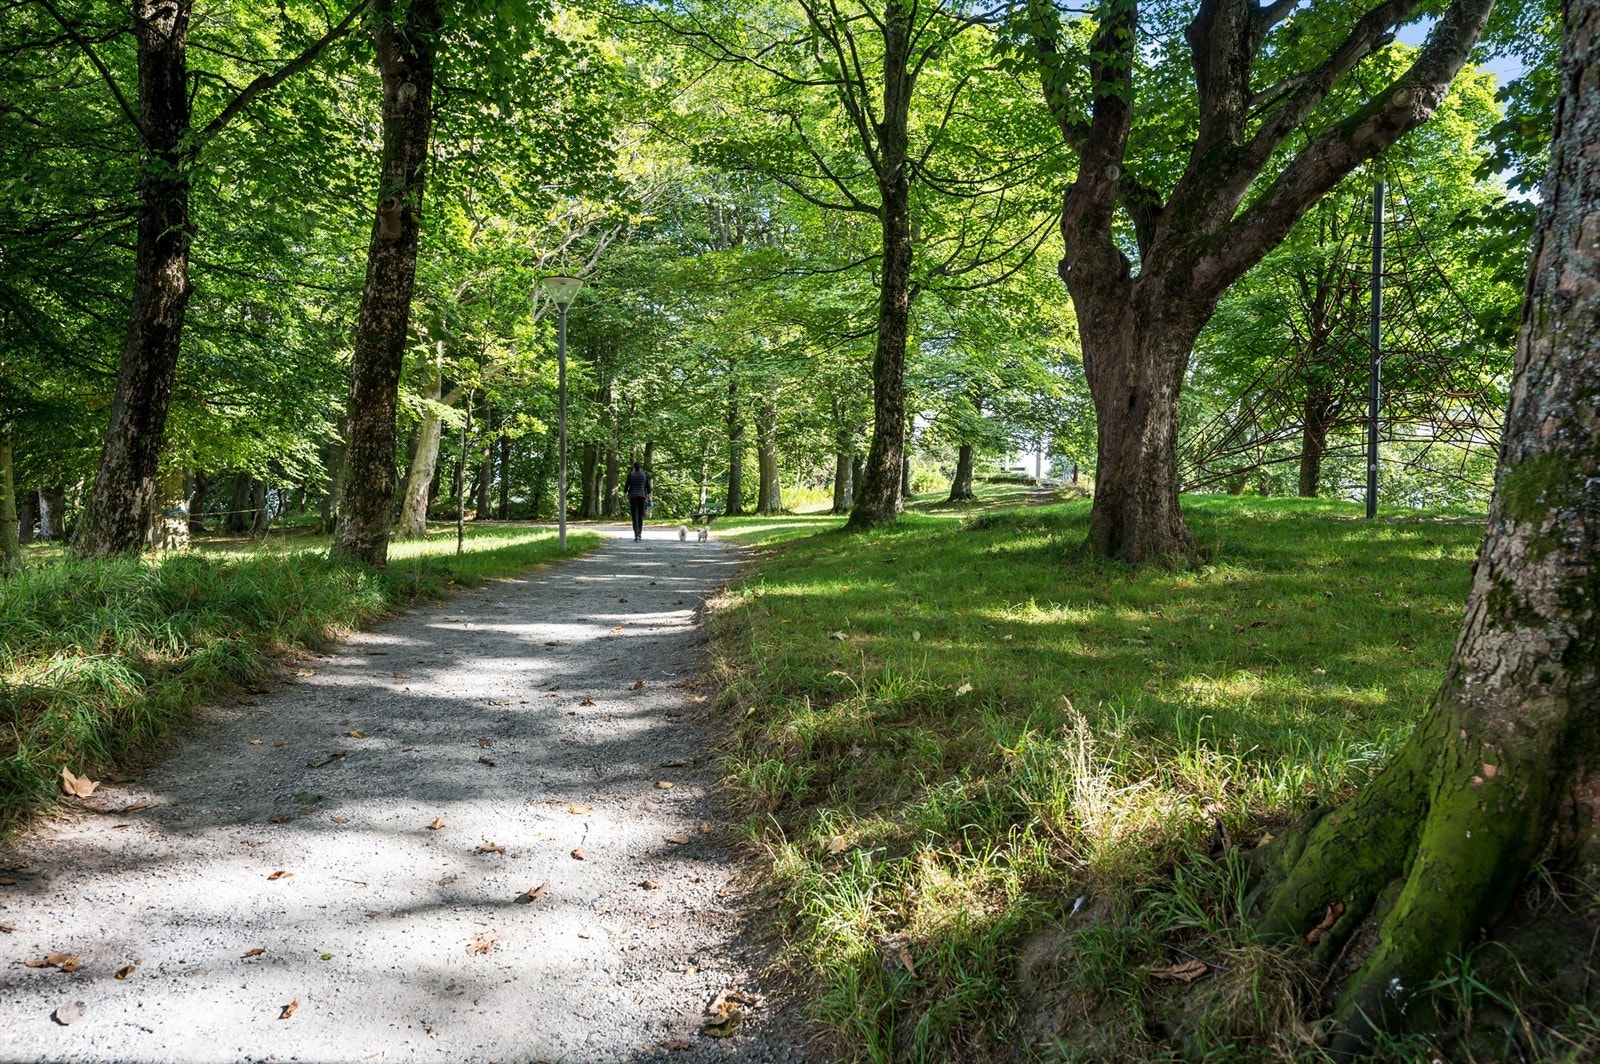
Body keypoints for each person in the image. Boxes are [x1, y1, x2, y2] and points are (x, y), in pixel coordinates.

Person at [625, 460, 651, 541]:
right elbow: (648, 487)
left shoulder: (630, 475)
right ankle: (639, 534)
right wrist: (649, 497)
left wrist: (625, 495)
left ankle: (636, 535)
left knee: (634, 516)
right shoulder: (645, 475)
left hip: (633, 497)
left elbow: (627, 485)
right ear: (641, 467)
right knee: (640, 516)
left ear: (634, 467)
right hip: (642, 497)